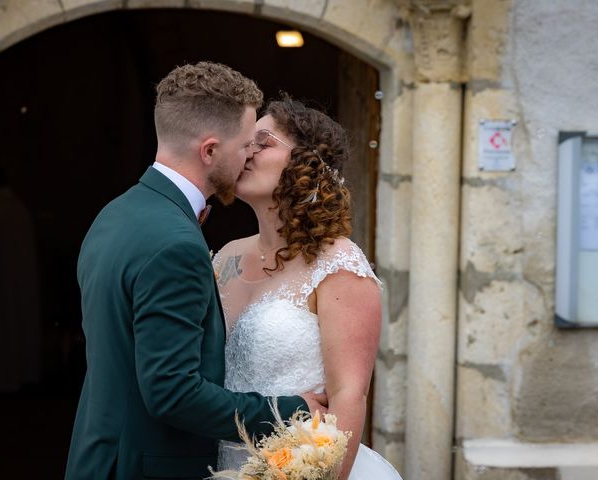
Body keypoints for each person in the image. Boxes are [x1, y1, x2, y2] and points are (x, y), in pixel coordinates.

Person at [65, 63, 326, 480]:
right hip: (144, 466)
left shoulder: (115, 214)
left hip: (98, 457)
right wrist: (294, 409)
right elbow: (172, 391)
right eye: (244, 145)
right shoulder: (176, 243)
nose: (248, 157)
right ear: (209, 151)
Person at [214, 97, 402, 479]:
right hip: (223, 464)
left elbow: (349, 395)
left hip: (299, 468)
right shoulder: (225, 259)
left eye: (262, 142)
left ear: (307, 161)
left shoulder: (339, 264)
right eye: (245, 142)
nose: (246, 152)